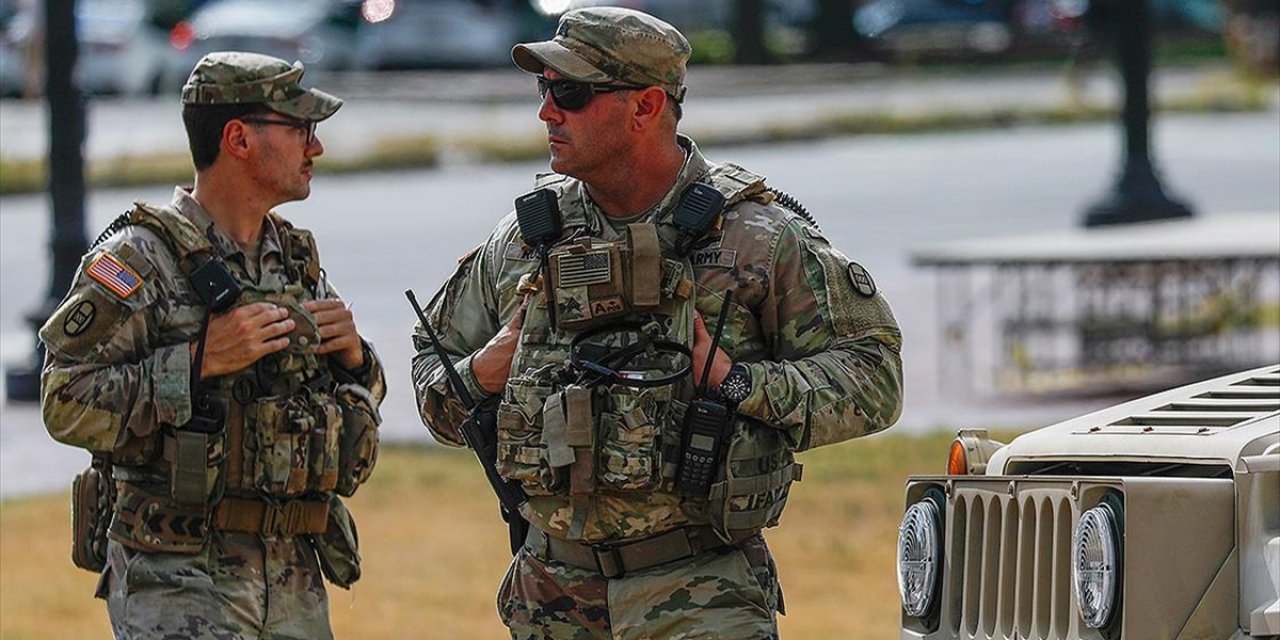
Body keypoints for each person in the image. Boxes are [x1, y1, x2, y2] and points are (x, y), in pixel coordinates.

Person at [412, 7, 903, 639]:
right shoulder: (526, 241)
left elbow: (876, 376)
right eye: (544, 91)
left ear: (646, 107)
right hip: (549, 598)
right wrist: (486, 369)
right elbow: (432, 359)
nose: (546, 112)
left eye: (571, 93)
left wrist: (736, 382)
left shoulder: (755, 239)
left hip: (701, 596)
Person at [40, 51, 385, 640]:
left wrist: (357, 359)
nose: (315, 148)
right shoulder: (135, 259)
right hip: (178, 581)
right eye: (300, 129)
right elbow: (63, 401)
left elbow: (351, 397)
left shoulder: (295, 260)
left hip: (294, 577)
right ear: (238, 138)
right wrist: (198, 361)